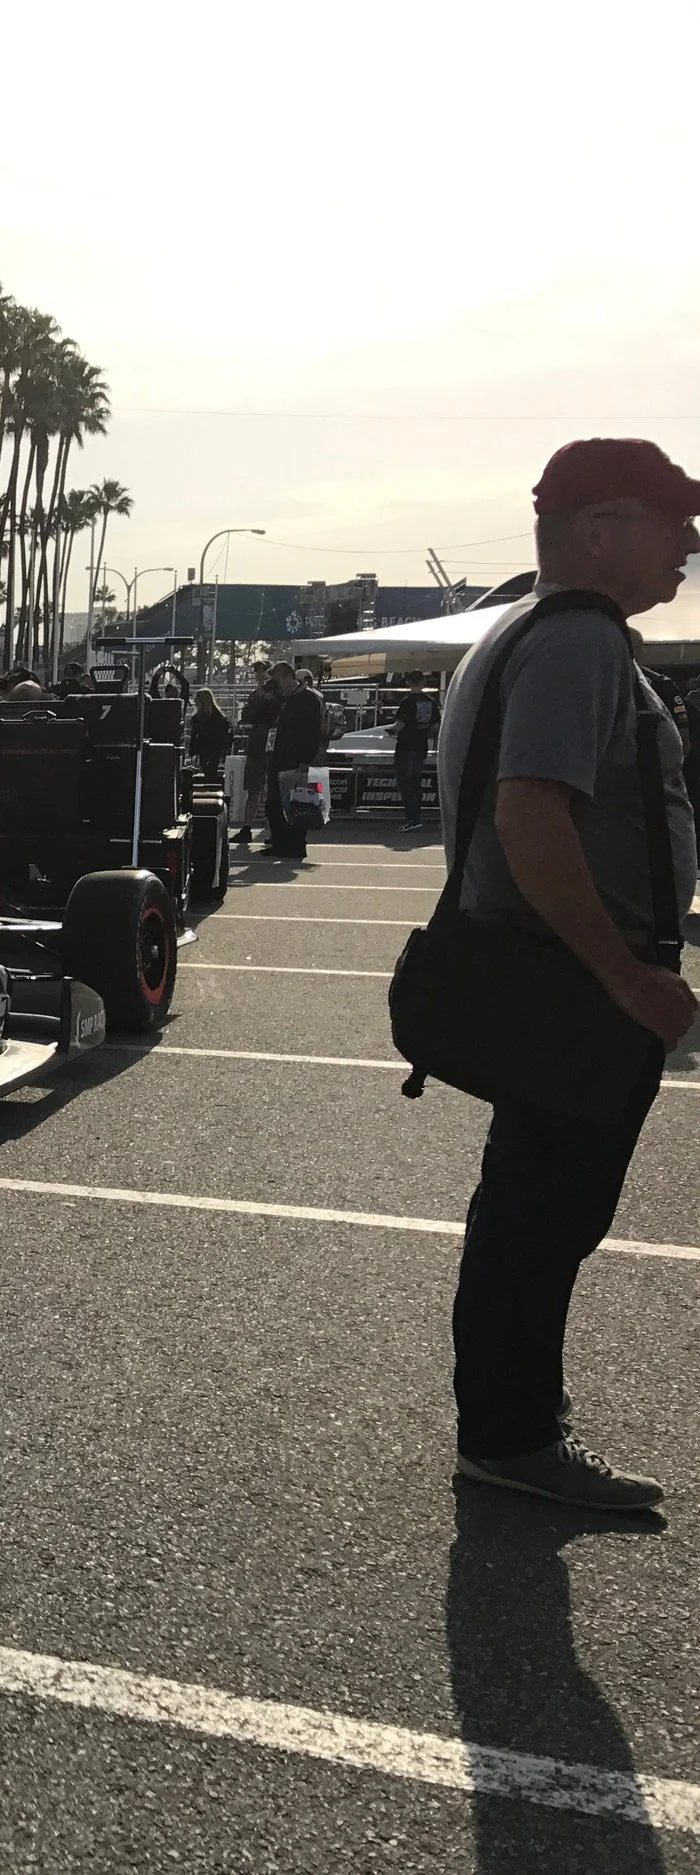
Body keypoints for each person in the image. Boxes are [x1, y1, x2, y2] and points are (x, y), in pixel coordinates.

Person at [437, 437, 699, 1511]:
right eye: (673, 522)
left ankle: (513, 1424)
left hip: (547, 976)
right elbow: (529, 812)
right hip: (570, 984)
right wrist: (627, 979)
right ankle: (510, 1437)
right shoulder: (579, 642)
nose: (688, 544)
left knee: (532, 1210)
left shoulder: (529, 634)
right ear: (599, 530)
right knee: (540, 1216)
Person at [261, 663, 325, 858]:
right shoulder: (286, 699)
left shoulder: (309, 699)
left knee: (299, 804)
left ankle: (297, 845)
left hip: (297, 759)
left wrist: (306, 760)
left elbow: (313, 732)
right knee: (273, 803)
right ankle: (281, 842)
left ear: (289, 677)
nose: (277, 685)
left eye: (278, 680)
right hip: (280, 756)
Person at [233, 662, 280, 845]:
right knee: (253, 788)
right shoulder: (255, 695)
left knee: (274, 788)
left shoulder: (278, 695)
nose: (260, 675)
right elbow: (246, 716)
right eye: (257, 672)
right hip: (257, 745)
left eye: (264, 671)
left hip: (273, 744)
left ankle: (275, 829)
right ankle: (247, 828)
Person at [391, 681, 440, 832]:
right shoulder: (430, 701)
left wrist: (392, 730)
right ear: (423, 682)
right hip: (421, 745)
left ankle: (411, 818)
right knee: (416, 782)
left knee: (405, 784)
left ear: (408, 682)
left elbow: (400, 725)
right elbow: (436, 726)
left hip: (406, 745)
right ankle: (417, 816)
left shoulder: (407, 701)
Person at [186, 687, 234, 787]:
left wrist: (193, 749)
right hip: (213, 748)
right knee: (210, 769)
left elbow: (196, 734)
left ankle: (210, 786)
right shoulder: (218, 717)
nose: (194, 701)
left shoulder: (200, 718)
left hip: (208, 748)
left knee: (208, 769)